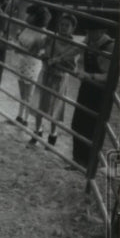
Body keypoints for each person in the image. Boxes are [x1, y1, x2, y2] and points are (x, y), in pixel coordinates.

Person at [32, 13, 81, 146]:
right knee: (40, 103)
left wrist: (58, 62)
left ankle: (53, 134)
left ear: (73, 28)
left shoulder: (74, 46)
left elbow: (73, 66)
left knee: (56, 106)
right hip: (46, 73)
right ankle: (37, 130)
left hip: (59, 78)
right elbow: (39, 49)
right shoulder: (51, 38)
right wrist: (43, 55)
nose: (63, 28)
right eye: (61, 24)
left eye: (67, 26)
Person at [70, 27, 115, 168]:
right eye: (88, 30)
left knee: (94, 126)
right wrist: (61, 59)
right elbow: (77, 51)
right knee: (77, 122)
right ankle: (77, 159)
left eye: (93, 30)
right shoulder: (89, 39)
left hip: (101, 92)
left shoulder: (110, 46)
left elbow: (112, 76)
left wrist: (91, 76)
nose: (89, 33)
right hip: (87, 86)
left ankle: (91, 162)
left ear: (102, 30)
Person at [8, 4, 51, 127]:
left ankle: (25, 118)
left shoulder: (42, 33)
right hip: (22, 61)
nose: (27, 16)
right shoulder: (28, 28)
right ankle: (20, 115)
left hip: (32, 63)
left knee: (29, 92)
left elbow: (34, 51)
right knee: (22, 90)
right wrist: (16, 42)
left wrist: (16, 46)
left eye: (30, 14)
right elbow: (20, 41)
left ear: (37, 17)